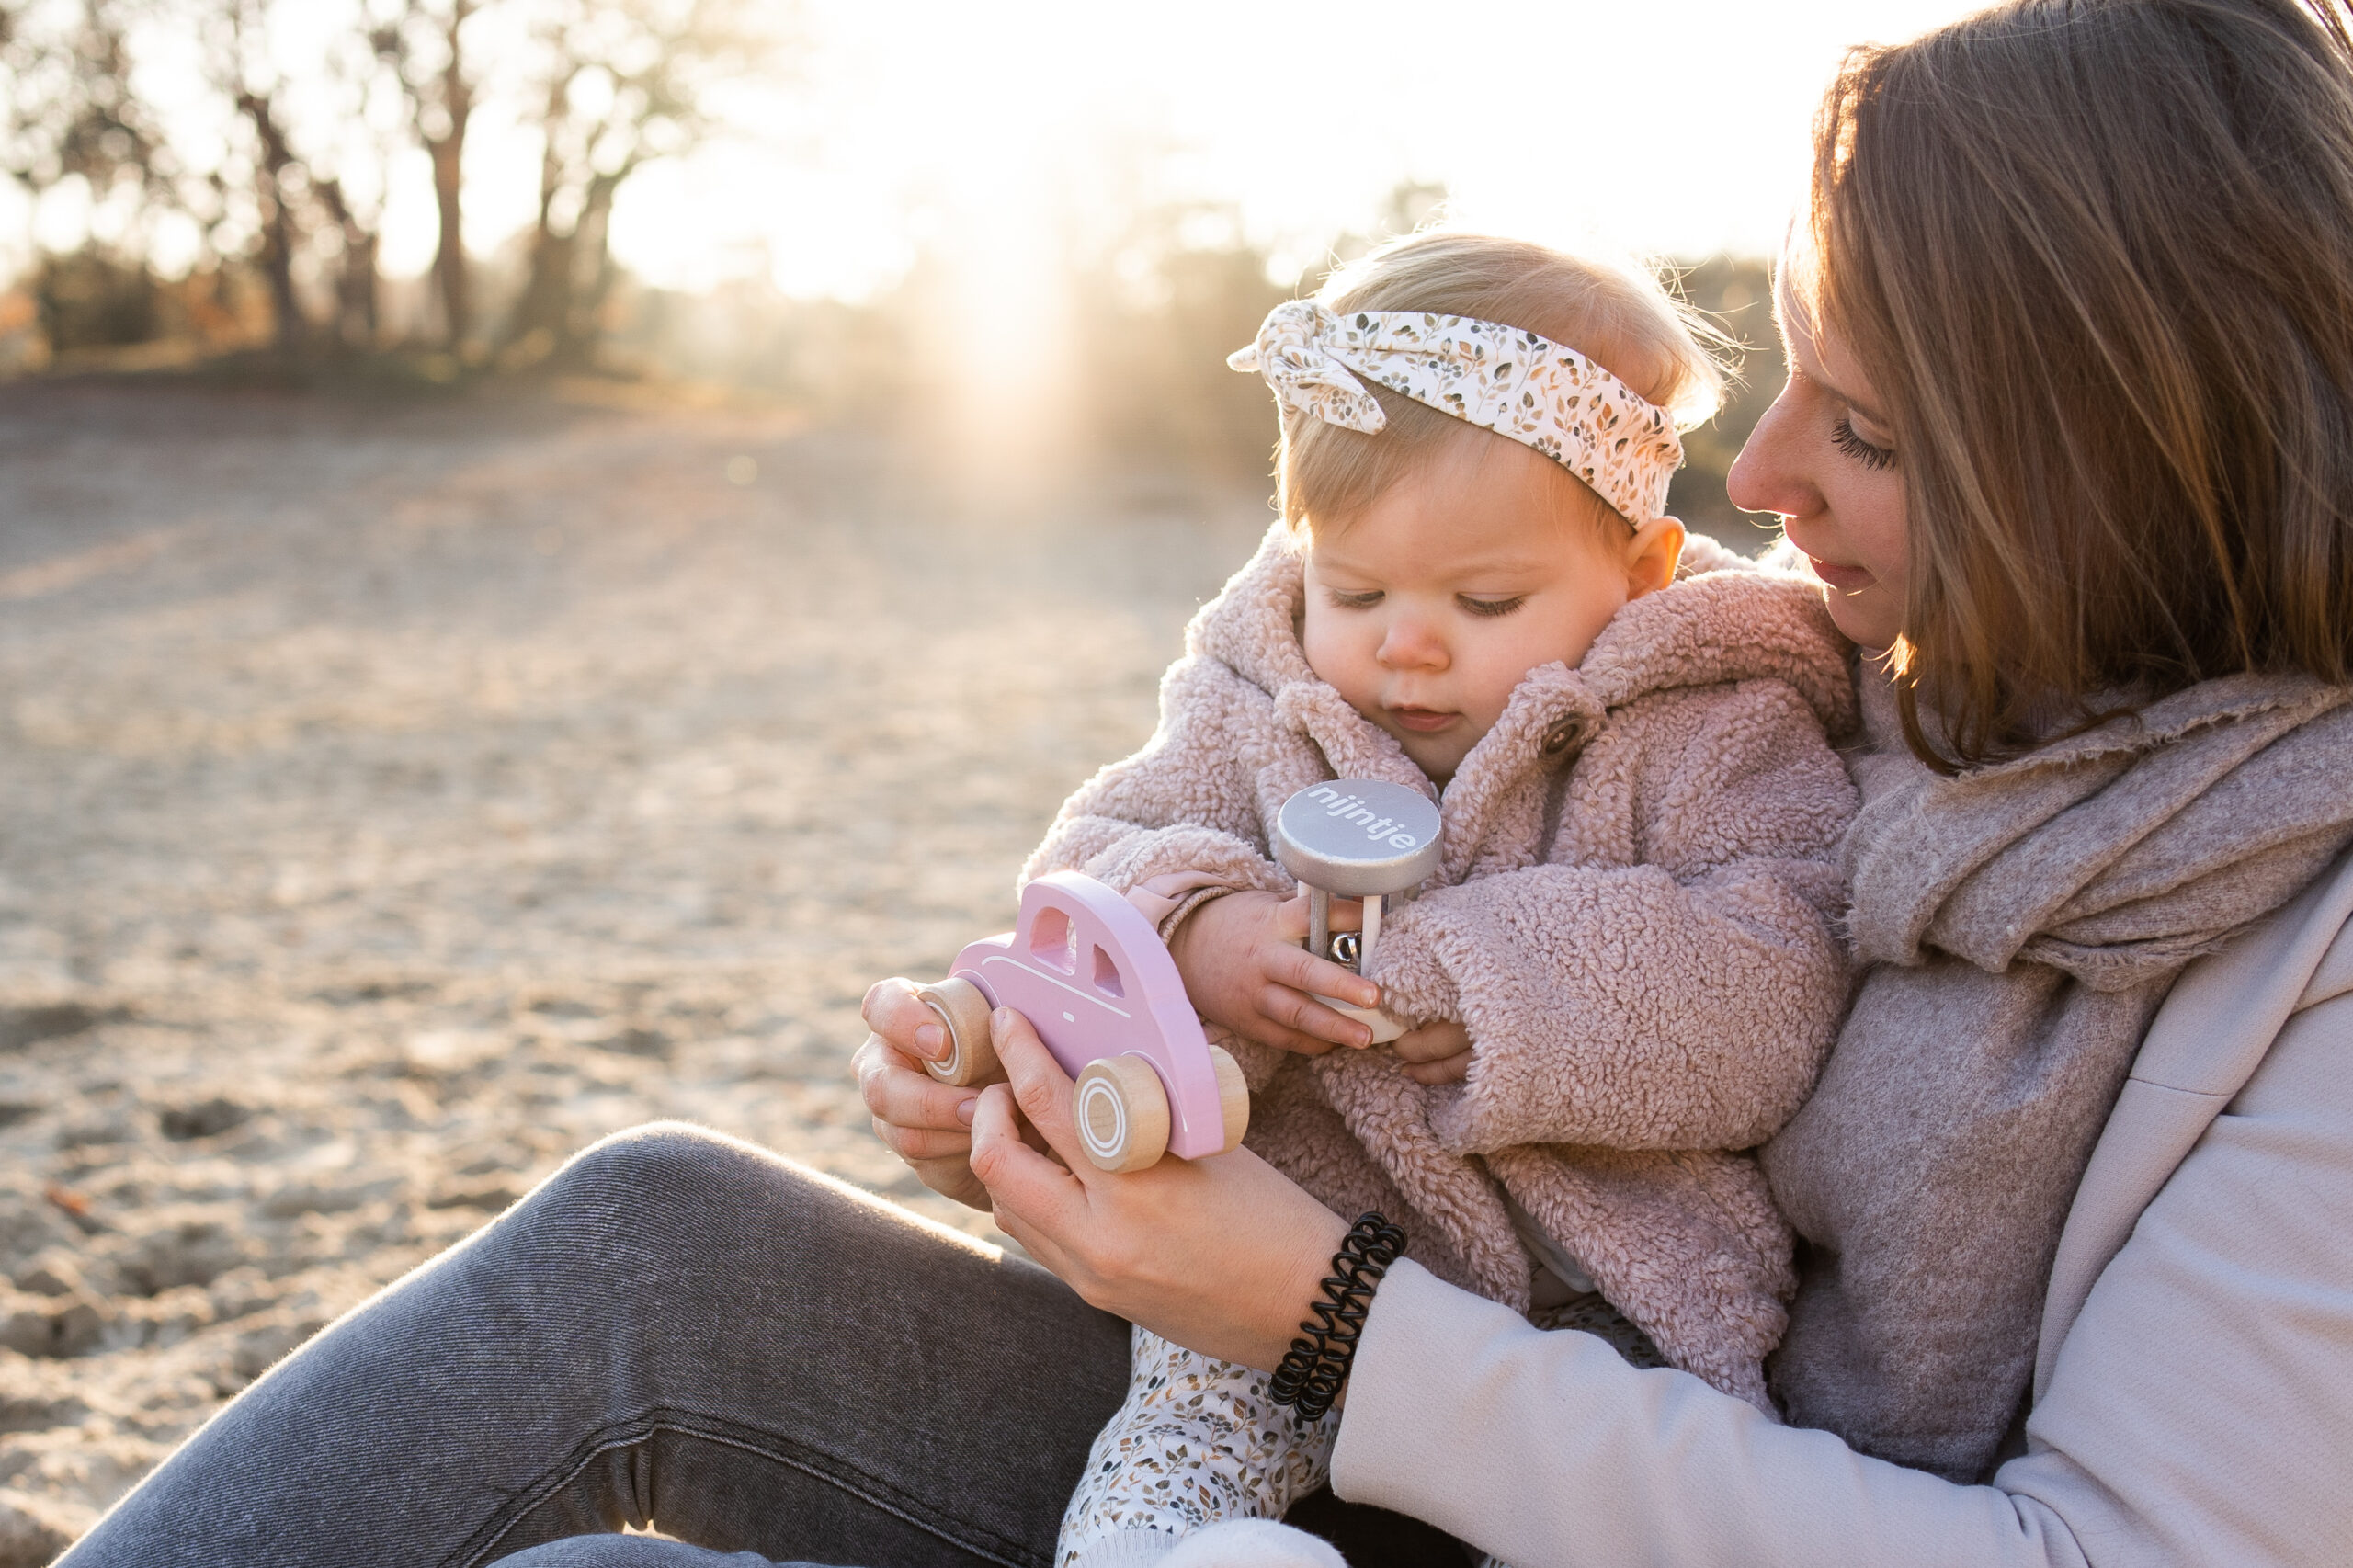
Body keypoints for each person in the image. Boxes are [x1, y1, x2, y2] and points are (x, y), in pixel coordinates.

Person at [51, 1, 2353, 1564]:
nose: (1754, 474)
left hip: (1526, 1450)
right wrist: (1081, 1057)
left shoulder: (2299, 951)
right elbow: (1207, 805)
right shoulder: (1896, 672)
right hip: (1330, 1405)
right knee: (643, 1238)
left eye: (1857, 428)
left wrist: (1323, 1307)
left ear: (2118, 446)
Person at [1040, 230, 1859, 1568]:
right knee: (1160, 1474)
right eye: (1354, 586)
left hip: (1601, 1305)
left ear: (1641, 571)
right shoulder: (1260, 688)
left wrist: (1481, 981)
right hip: (1277, 1264)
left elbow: (1779, 972)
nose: (1402, 644)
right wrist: (1204, 928)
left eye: (1485, 598)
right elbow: (1094, 852)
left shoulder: (1713, 719)